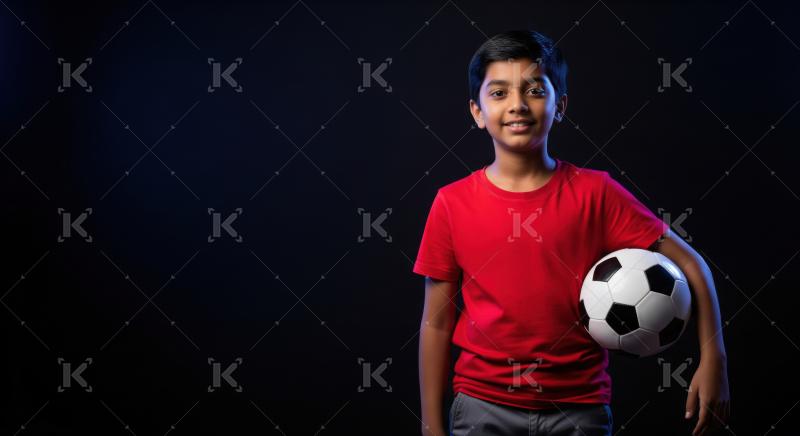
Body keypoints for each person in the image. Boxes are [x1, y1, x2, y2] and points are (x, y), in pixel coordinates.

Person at [413, 30, 730, 436]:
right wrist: (431, 426)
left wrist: (713, 359)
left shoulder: (595, 193)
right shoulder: (451, 203)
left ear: (560, 105)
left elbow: (691, 263)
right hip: (481, 407)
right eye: (499, 93)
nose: (517, 105)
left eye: (533, 90)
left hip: (578, 410)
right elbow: (436, 323)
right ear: (476, 112)